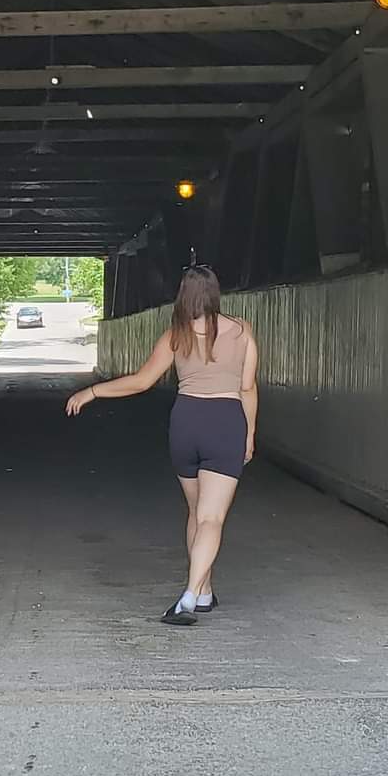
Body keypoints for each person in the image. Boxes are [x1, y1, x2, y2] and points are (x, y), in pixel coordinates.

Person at [65, 264, 258, 626]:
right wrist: (248, 434)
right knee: (211, 517)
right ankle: (189, 594)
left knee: (195, 511)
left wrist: (93, 391)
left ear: (183, 295)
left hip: (186, 424)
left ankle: (204, 592)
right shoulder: (242, 331)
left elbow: (141, 382)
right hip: (226, 423)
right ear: (215, 294)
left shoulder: (176, 336)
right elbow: (247, 387)